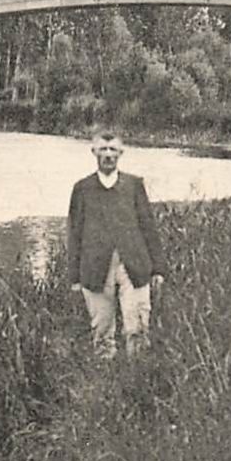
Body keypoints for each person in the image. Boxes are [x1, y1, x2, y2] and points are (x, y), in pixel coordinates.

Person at [66, 129, 167, 359]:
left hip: (134, 266)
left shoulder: (134, 185)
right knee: (102, 332)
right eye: (103, 149)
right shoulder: (82, 189)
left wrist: (158, 268)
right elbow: (74, 233)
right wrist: (74, 277)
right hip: (95, 268)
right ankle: (105, 383)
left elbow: (148, 227)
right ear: (94, 152)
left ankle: (137, 381)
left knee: (138, 327)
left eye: (113, 150)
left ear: (121, 153)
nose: (108, 154)